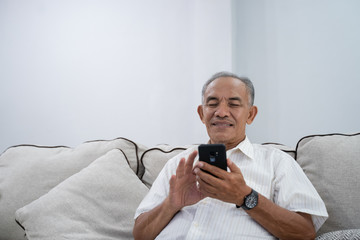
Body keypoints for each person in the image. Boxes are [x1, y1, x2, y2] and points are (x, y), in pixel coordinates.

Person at [133, 71, 328, 240]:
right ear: (202, 114)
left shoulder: (277, 162)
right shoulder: (179, 164)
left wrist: (245, 197)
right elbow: (141, 234)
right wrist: (172, 204)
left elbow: (304, 233)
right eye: (212, 104)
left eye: (234, 104)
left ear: (251, 115)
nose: (222, 112)